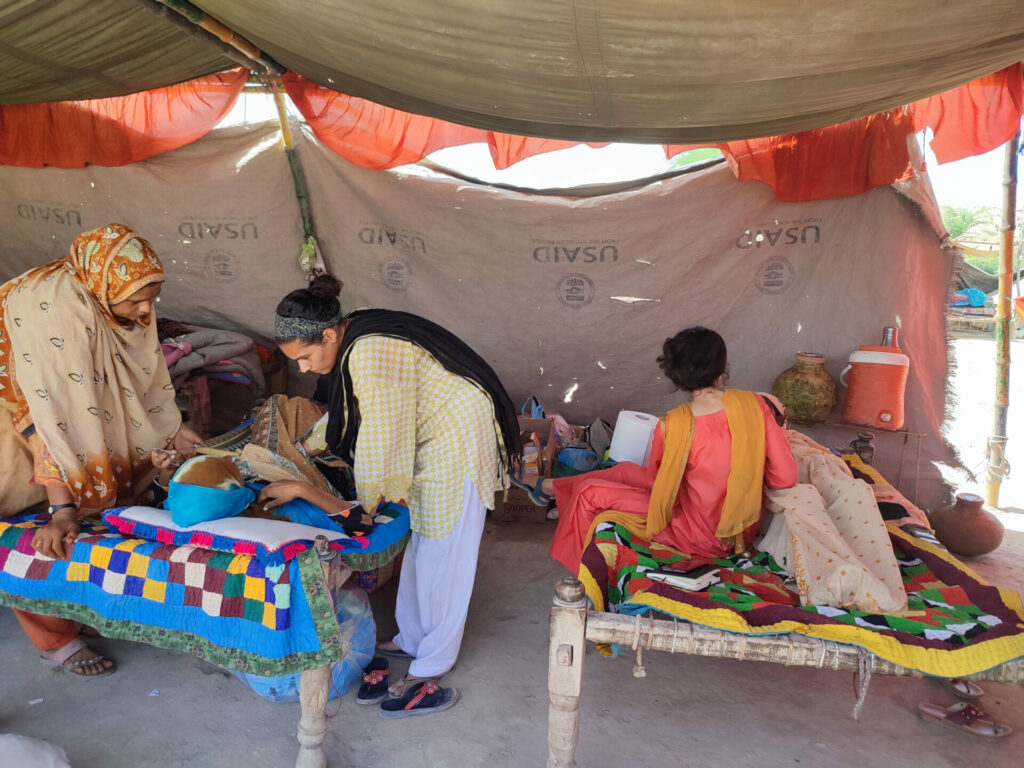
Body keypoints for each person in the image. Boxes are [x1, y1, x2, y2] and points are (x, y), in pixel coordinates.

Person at [262, 273, 520, 717]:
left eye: (305, 357)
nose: (303, 369)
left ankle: (433, 661)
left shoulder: (368, 353)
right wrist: (308, 446)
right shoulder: (351, 335)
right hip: (433, 433)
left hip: (458, 436)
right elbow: (355, 411)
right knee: (423, 541)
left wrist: (362, 505)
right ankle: (411, 638)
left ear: (328, 334)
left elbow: (382, 439)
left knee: (446, 552)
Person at [0, 223, 202, 676]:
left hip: (52, 411)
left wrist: (173, 429)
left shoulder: (105, 300)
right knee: (32, 532)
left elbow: (133, 386)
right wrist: (62, 507)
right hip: (15, 414)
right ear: (102, 284)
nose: (147, 309)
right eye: (136, 300)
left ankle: (79, 612)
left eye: (153, 294)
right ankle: (55, 639)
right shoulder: (55, 316)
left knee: (87, 507)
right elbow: (49, 419)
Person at [544, 326, 798, 572]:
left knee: (590, 493)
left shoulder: (673, 425)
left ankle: (580, 580)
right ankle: (553, 488)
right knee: (624, 470)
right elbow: (784, 478)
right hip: (742, 528)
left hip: (698, 535)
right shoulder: (755, 405)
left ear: (677, 375)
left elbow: (658, 486)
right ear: (722, 368)